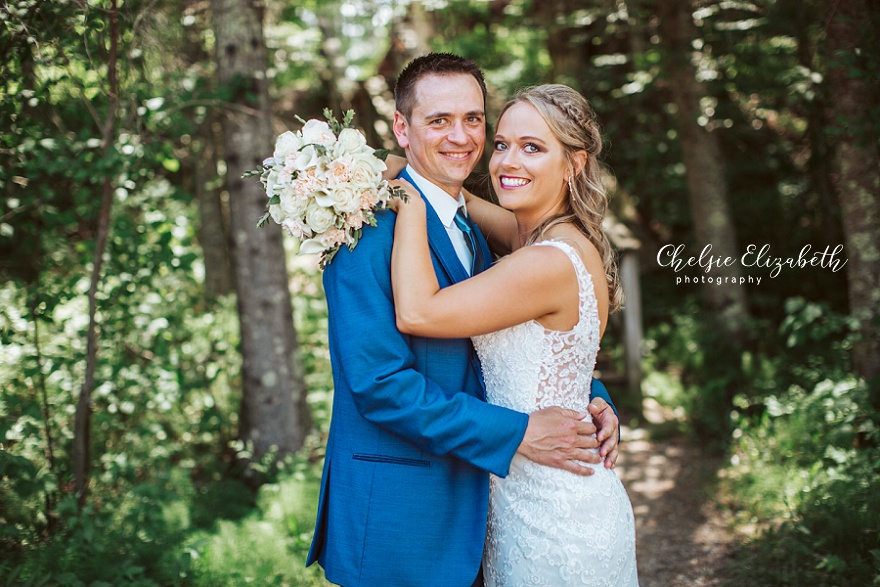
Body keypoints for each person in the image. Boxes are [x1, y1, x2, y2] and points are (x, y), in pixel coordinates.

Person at [307, 53, 621, 587]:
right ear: (402, 129)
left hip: (488, 514)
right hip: (403, 521)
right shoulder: (361, 226)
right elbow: (379, 385)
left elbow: (517, 340)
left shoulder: (482, 227)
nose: (462, 137)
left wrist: (588, 399)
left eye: (474, 120)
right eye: (439, 120)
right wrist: (518, 431)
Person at [389, 83, 638, 586]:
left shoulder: (546, 261)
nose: (506, 161)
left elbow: (417, 312)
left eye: (532, 147)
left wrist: (408, 201)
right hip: (521, 499)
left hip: (556, 515)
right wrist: (399, 166)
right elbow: (460, 200)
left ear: (574, 163)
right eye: (501, 144)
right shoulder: (537, 233)